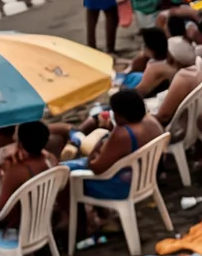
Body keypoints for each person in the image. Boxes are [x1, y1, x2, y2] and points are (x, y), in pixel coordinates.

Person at [67, 89, 162, 219]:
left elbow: (96, 168)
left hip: (122, 187)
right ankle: (100, 214)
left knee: (65, 176)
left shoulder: (123, 133)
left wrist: (97, 146)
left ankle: (80, 222)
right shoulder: (151, 121)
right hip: (145, 178)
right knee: (69, 167)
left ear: (119, 115)